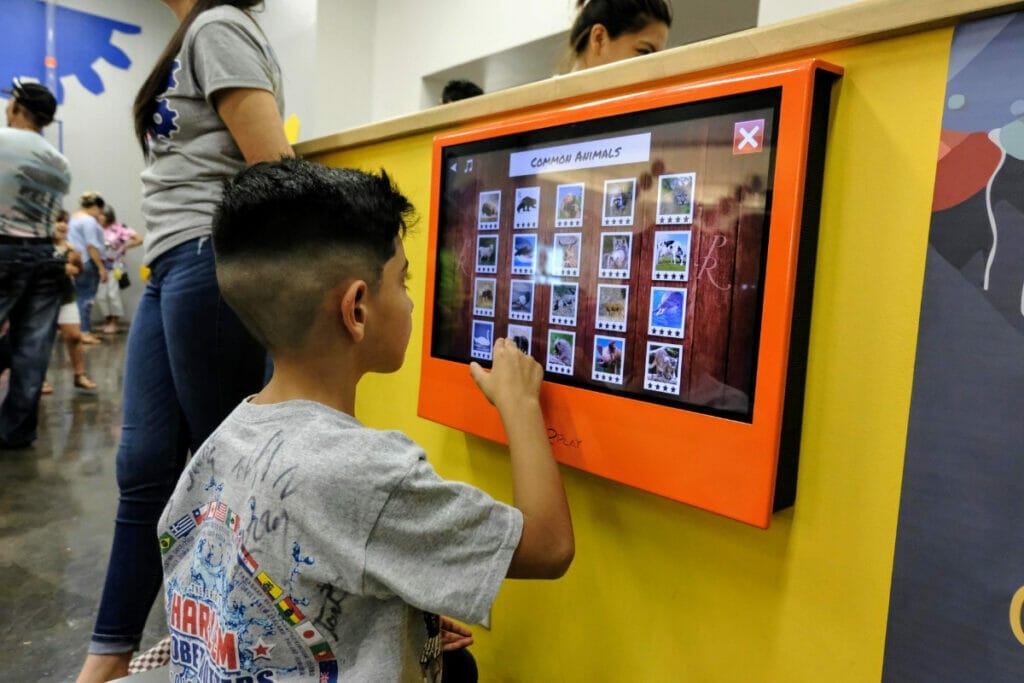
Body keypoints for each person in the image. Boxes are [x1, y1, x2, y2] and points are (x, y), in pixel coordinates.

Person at [156, 158, 573, 681]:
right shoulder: (369, 472)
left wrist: (388, 625)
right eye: (403, 280)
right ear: (356, 309)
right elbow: (550, 547)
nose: (411, 299)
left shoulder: (224, 441)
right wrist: (521, 406)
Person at [77, 0, 294, 679]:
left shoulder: (217, 25)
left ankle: (235, 655)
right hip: (171, 261)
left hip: (210, 254)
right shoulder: (194, 32)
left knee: (225, 478)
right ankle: (107, 657)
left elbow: (274, 166)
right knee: (143, 465)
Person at [0, 78, 71, 448]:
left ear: (15, 106)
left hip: (3, 248)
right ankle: (16, 432)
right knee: (33, 347)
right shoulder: (60, 161)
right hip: (46, 256)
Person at [42, 209, 97, 393]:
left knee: (74, 336)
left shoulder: (71, 248)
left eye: (65, 221)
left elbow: (78, 270)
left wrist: (77, 265)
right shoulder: (41, 248)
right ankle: (39, 378)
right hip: (43, 299)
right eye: (58, 221)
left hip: (66, 296)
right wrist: (61, 269)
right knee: (43, 341)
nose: (62, 225)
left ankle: (79, 375)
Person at [566, 0, 672, 72]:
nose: (657, 70)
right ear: (599, 38)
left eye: (659, 58)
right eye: (645, 52)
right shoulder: (550, 101)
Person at [67, 191, 108, 344]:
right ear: (96, 207)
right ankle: (84, 332)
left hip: (76, 261)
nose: (100, 214)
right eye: (100, 210)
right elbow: (91, 246)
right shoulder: (89, 221)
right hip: (87, 262)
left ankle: (83, 330)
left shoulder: (72, 219)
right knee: (86, 298)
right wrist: (101, 268)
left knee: (78, 296)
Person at [96, 205, 142, 335]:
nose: (99, 217)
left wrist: (125, 247)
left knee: (113, 294)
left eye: (102, 215)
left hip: (115, 267)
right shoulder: (97, 229)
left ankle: (114, 322)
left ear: (108, 216)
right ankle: (108, 319)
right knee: (101, 296)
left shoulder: (119, 228)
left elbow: (139, 239)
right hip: (100, 267)